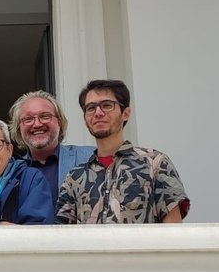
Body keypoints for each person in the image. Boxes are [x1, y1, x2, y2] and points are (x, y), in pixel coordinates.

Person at [56, 79, 190, 224]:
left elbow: (173, 229)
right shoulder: (75, 177)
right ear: (85, 118)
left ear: (125, 113)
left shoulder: (155, 164)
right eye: (91, 108)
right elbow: (65, 236)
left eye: (107, 105)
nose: (98, 113)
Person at [8, 89, 95, 205]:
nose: (37, 124)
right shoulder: (11, 171)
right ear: (19, 127)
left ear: (59, 122)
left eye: (45, 116)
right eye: (28, 119)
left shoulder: (91, 157)